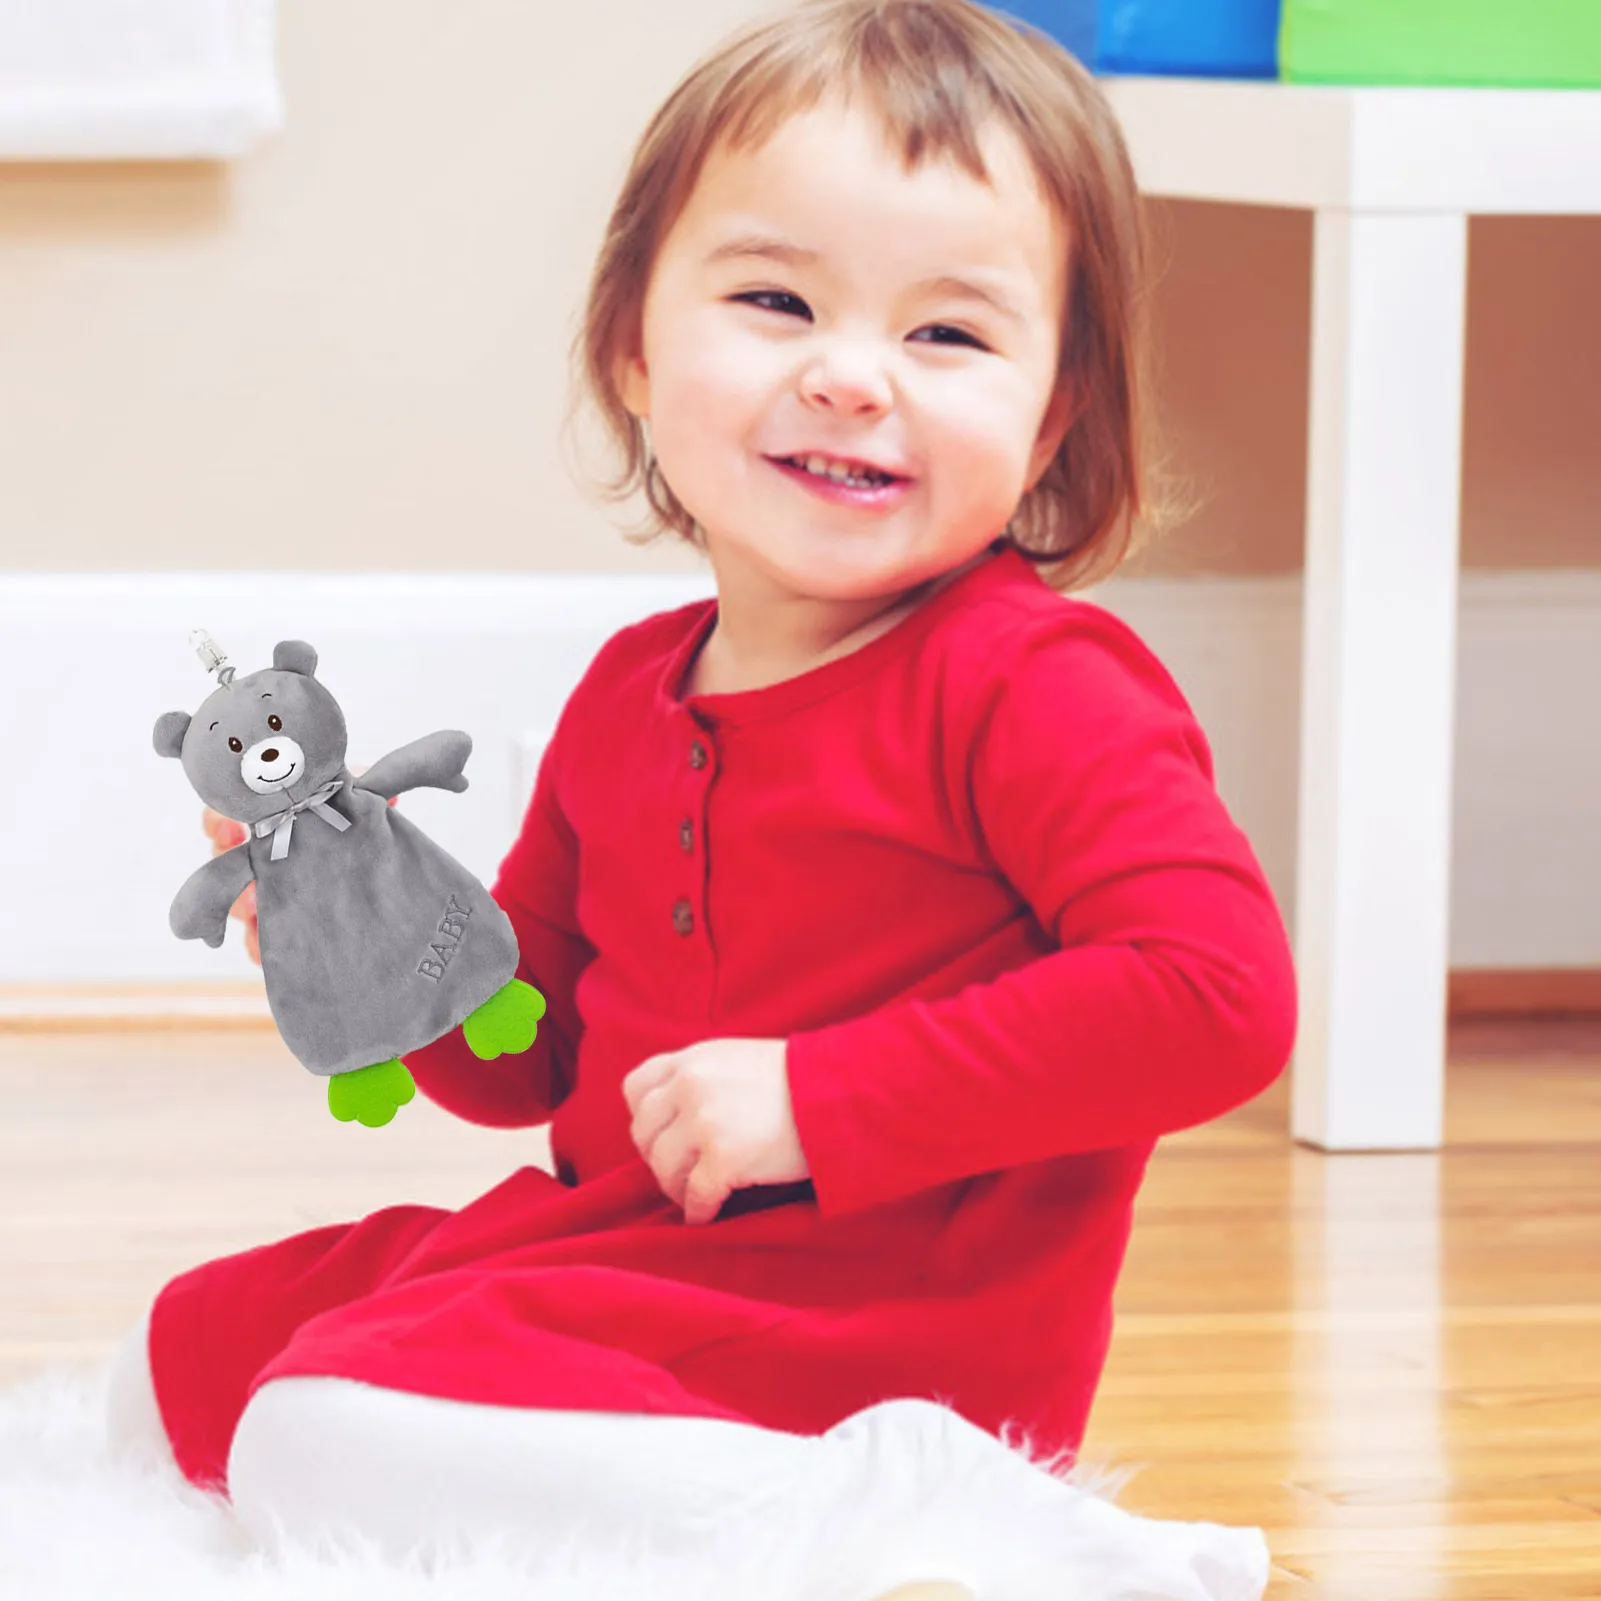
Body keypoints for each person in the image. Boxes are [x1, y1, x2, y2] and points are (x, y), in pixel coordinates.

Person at [106, 2, 1297, 1596]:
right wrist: (373, 938)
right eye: (776, 300)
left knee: (313, 1441)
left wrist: (821, 1099)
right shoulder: (629, 690)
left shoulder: (1036, 686)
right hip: (636, 1253)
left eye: (948, 335)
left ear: (1052, 417)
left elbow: (1217, 997)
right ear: (634, 348)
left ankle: (944, 1523)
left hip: (873, 1314)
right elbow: (529, 1064)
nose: (851, 376)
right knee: (173, 1369)